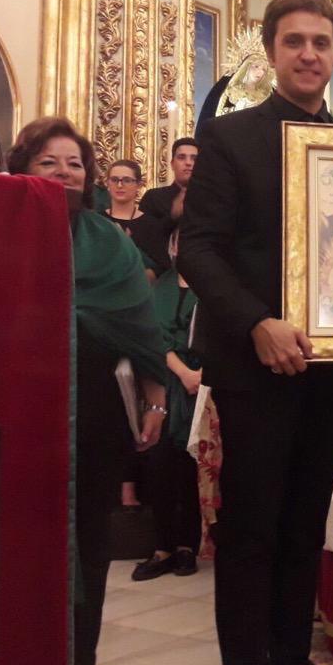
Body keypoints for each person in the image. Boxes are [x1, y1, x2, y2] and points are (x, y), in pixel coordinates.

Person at [177, 0, 333, 665]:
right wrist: (258, 321)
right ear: (271, 52)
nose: (310, 54)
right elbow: (197, 250)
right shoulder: (231, 139)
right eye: (295, 42)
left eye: (322, 43)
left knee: (303, 525)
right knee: (253, 528)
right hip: (256, 366)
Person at [7, 116, 169, 665]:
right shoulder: (1, 228)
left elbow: (142, 330)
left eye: (74, 163)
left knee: (90, 545)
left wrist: (155, 402)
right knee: (19, 545)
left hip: (94, 415)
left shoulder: (108, 242)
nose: (63, 172)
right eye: (47, 162)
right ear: (21, 169)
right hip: (17, 411)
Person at [132, 230, 202, 582]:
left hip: (206, 385)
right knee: (160, 465)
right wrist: (183, 372)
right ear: (172, 247)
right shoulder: (161, 286)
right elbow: (152, 336)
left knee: (192, 467)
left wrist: (202, 374)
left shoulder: (212, 287)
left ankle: (188, 546)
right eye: (179, 242)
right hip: (166, 382)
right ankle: (162, 547)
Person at [103, 159, 170, 278]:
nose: (119, 185)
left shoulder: (151, 225)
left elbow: (162, 268)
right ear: (107, 183)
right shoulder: (98, 221)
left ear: (139, 185)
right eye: (114, 180)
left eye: (127, 180)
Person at [141, 137, 198, 232]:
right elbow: (145, 236)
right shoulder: (153, 198)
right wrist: (172, 217)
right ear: (172, 164)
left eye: (194, 159)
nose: (188, 163)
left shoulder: (210, 199)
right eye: (181, 157)